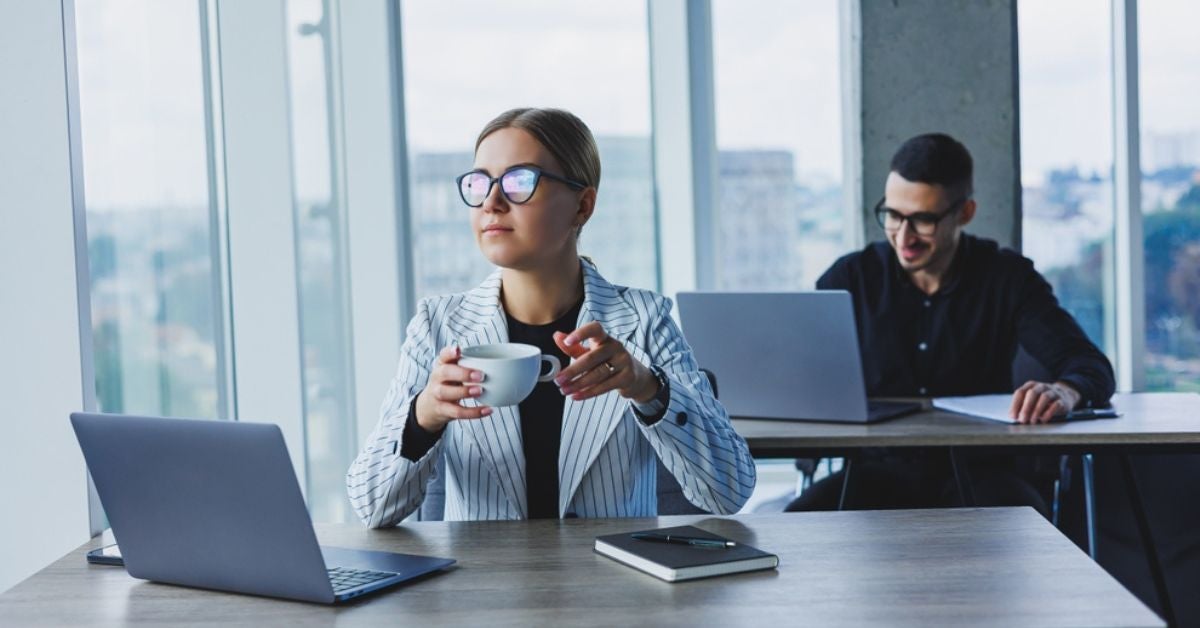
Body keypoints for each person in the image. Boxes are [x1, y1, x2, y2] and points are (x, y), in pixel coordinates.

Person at [348, 108, 755, 526]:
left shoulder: (645, 321)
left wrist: (648, 388)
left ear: (582, 206)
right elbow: (371, 507)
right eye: (480, 182)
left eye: (519, 181)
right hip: (480, 587)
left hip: (616, 585)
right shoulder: (437, 326)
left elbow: (729, 491)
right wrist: (423, 416)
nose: (491, 202)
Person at [787, 133, 1115, 513]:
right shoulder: (850, 279)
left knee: (1030, 542)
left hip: (982, 477)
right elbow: (799, 374)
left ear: (965, 213)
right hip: (874, 476)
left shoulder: (1007, 278)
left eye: (923, 220)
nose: (903, 236)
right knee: (794, 531)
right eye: (893, 215)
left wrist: (1065, 391)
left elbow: (1090, 366)